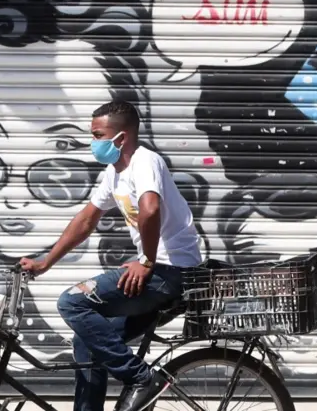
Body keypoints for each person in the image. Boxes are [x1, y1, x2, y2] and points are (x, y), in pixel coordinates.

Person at [19, 100, 202, 411]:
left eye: (98, 135)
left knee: (72, 302)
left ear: (122, 137)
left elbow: (150, 208)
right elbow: (87, 219)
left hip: (171, 271)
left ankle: (142, 379)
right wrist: (45, 262)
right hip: (160, 269)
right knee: (87, 342)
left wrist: (146, 260)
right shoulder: (114, 172)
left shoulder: (145, 162)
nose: (93, 142)